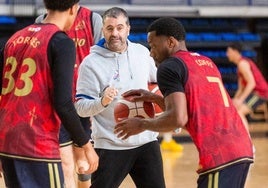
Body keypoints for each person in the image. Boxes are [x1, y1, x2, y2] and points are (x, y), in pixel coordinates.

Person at [114, 17, 254, 188]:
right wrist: (154, 98)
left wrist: (141, 124)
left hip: (220, 157)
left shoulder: (169, 67)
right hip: (242, 149)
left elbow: (178, 119)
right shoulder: (206, 62)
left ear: (171, 42)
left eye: (153, 45)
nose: (151, 53)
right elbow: (191, 112)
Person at [0, 0, 99, 187]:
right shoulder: (61, 42)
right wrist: (86, 146)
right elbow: (63, 103)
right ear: (73, 9)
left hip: (7, 141)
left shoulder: (15, 38)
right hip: (38, 143)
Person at [75, 7, 165, 188]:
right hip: (110, 145)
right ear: (103, 30)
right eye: (109, 28)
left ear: (128, 29)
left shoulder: (142, 53)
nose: (114, 33)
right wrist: (102, 102)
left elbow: (159, 87)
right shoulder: (90, 63)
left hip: (146, 141)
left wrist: (167, 111)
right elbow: (81, 108)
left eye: (119, 27)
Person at [36, 4, 103, 188]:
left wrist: (97, 104)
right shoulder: (41, 22)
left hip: (85, 101)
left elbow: (101, 58)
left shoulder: (92, 19)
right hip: (58, 103)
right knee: (66, 164)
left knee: (84, 165)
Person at [226, 42, 268, 131]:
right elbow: (241, 88)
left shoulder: (242, 64)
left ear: (236, 52)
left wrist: (240, 100)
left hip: (261, 94)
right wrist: (234, 100)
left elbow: (252, 83)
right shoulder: (239, 66)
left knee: (239, 111)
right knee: (235, 108)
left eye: (229, 52)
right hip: (255, 94)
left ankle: (247, 141)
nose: (227, 54)